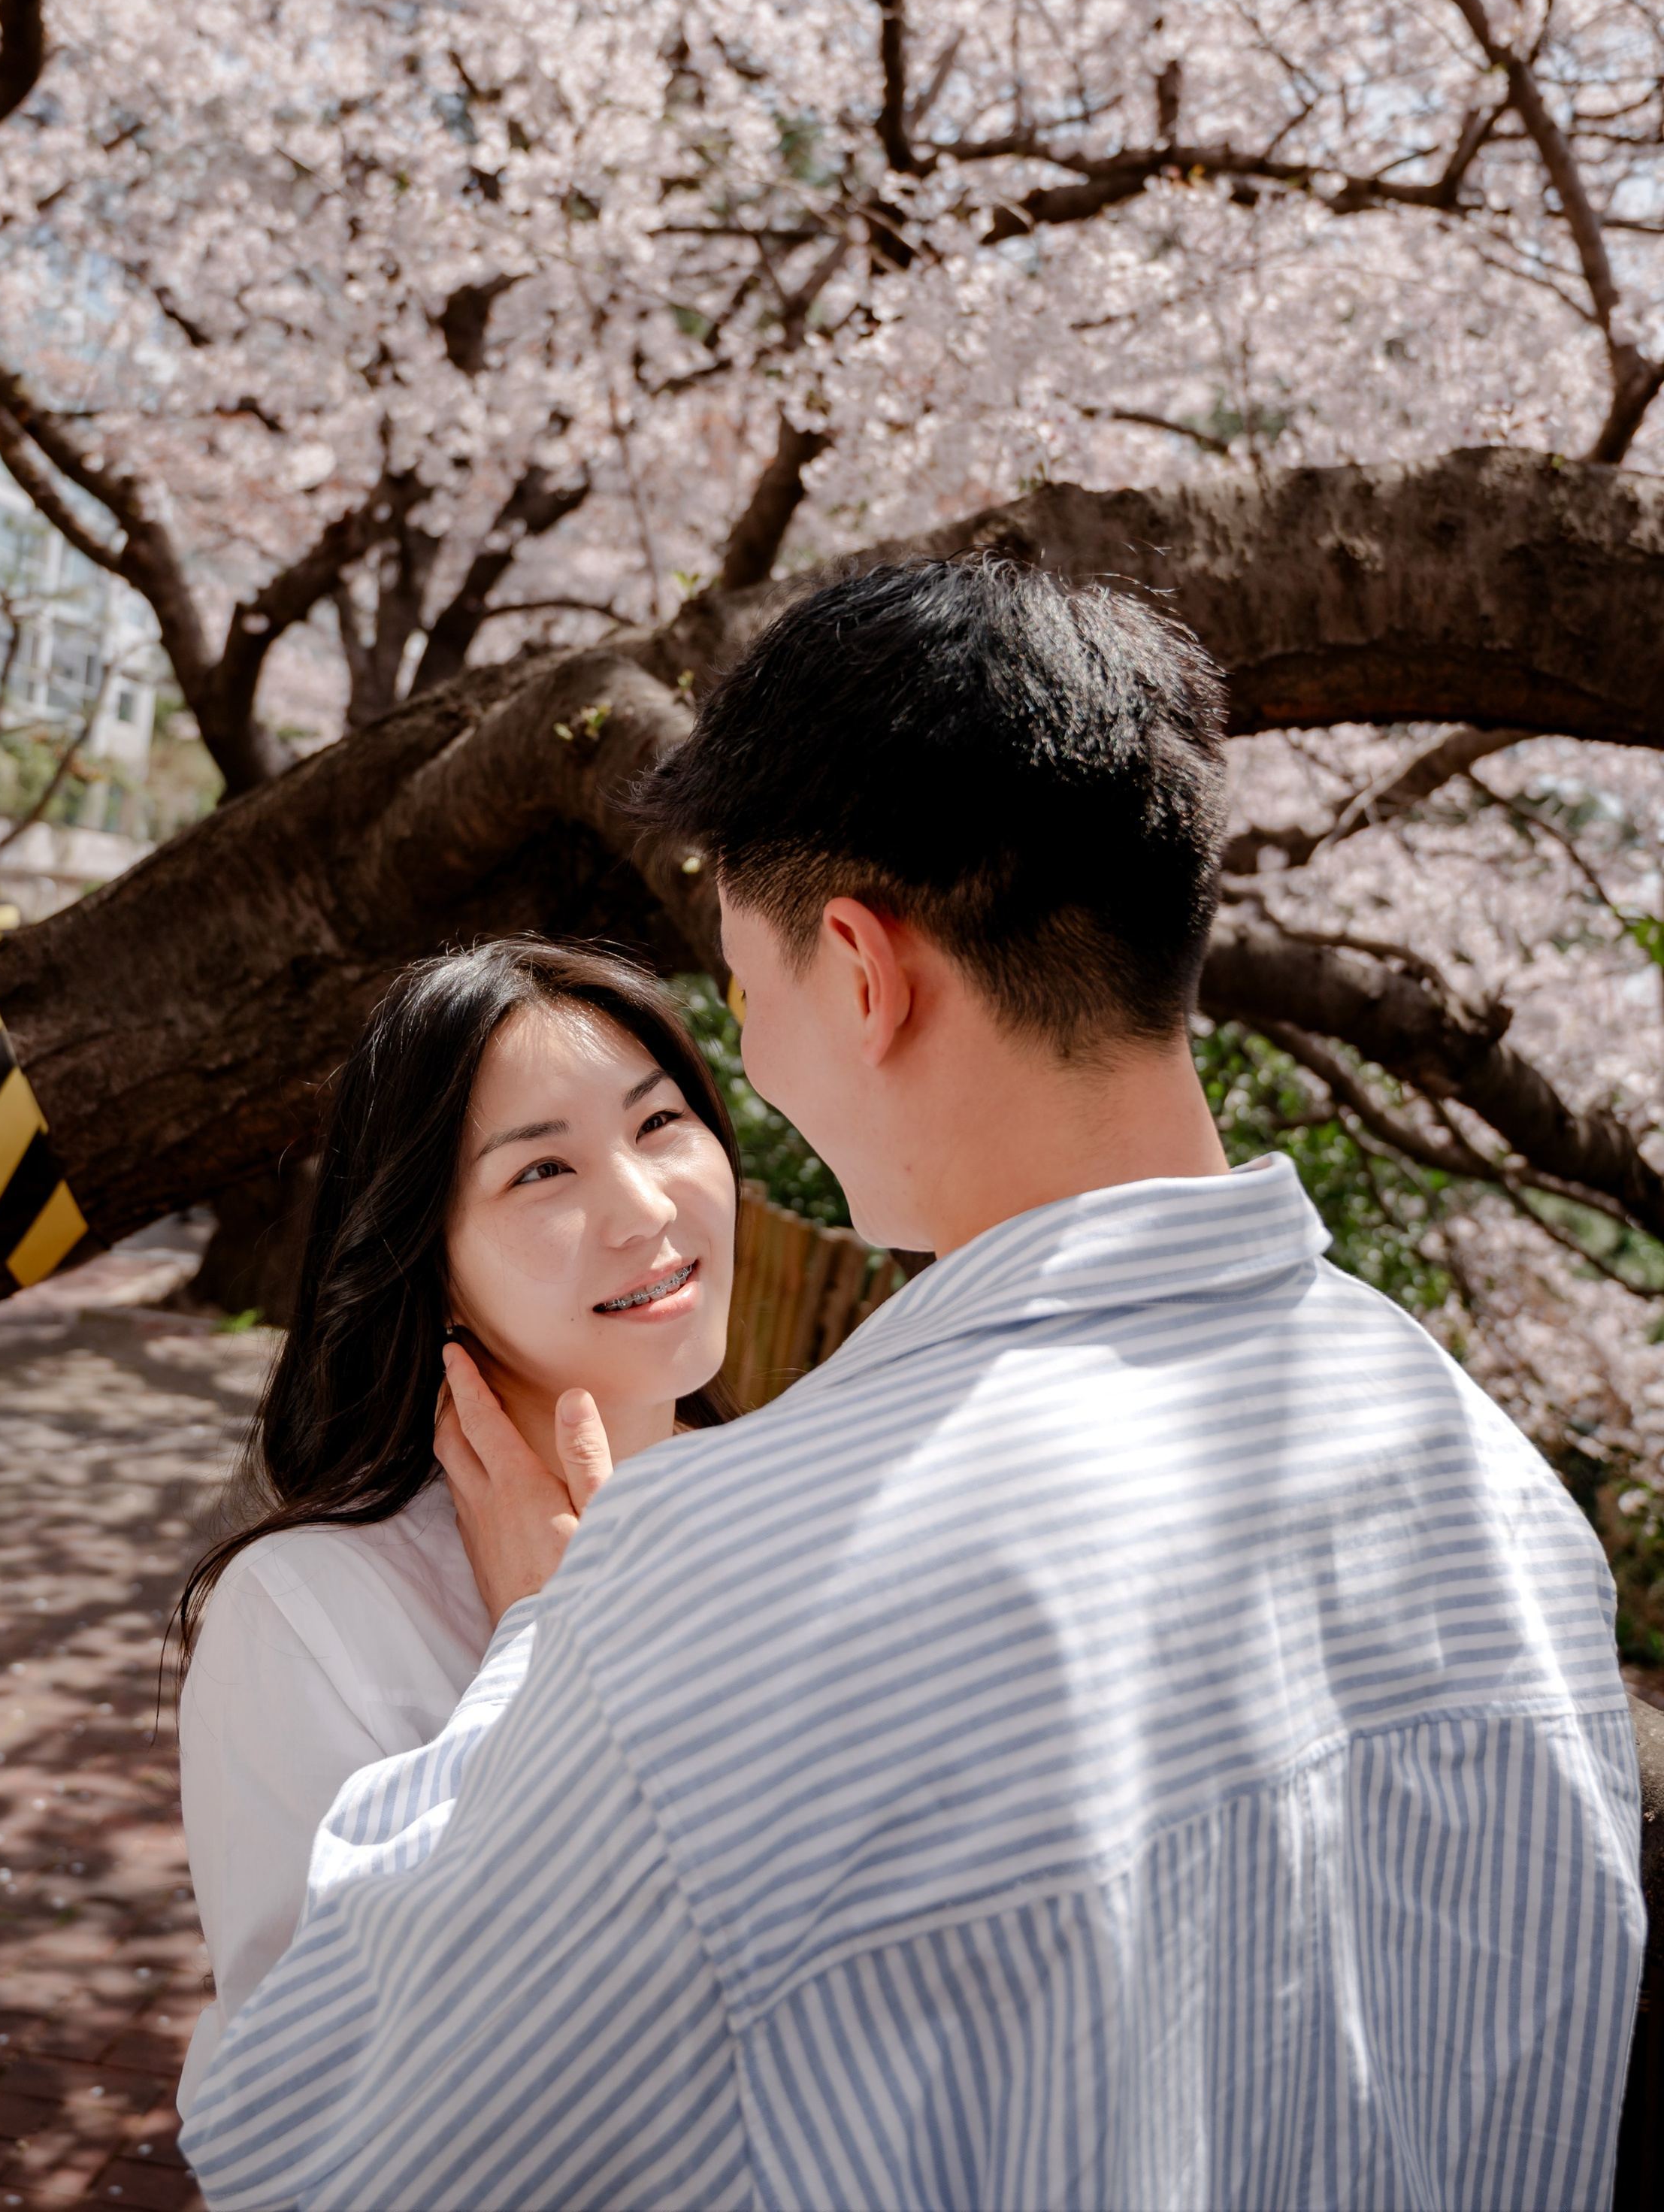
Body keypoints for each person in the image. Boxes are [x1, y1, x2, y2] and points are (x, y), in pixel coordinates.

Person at [182, 557, 1643, 2212]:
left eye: (743, 991)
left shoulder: (730, 1572)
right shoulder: (1491, 1489)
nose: (736, 1082)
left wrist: (542, 1651)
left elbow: (321, 2148)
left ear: (862, 972)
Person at [172, 939, 740, 2109]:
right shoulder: (308, 1611)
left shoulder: (805, 1510)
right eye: (543, 1172)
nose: (643, 1210)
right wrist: (552, 1665)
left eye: (659, 1125)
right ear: (429, 1263)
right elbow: (312, 2100)